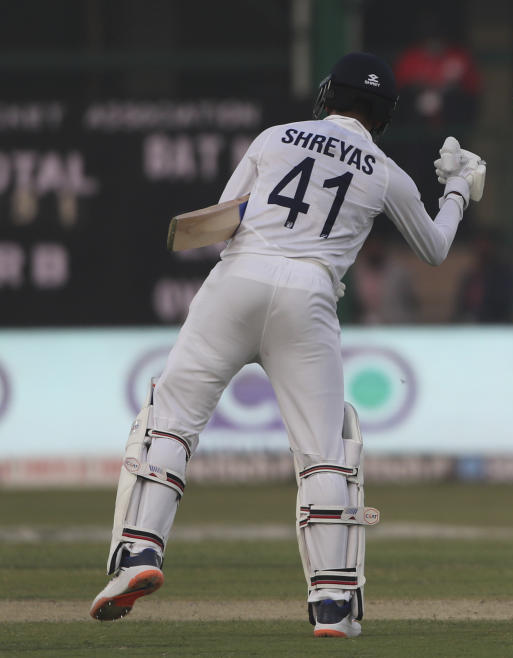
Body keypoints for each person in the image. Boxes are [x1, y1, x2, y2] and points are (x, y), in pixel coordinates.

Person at [89, 52, 485, 639]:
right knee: (325, 451)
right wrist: (456, 189)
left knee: (169, 421)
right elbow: (433, 248)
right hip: (311, 294)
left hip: (238, 279)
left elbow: (224, 217)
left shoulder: (276, 136)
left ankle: (139, 554)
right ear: (383, 114)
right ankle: (333, 602)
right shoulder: (383, 170)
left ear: (330, 96)